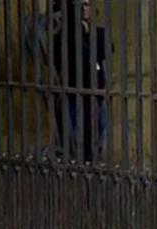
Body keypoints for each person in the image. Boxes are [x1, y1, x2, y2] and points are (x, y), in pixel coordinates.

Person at [51, 0, 110, 163]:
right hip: (75, 95)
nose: (85, 9)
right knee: (77, 147)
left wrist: (87, 33)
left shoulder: (97, 33)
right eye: (81, 5)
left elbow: (106, 49)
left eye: (88, 4)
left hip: (96, 96)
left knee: (98, 143)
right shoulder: (66, 36)